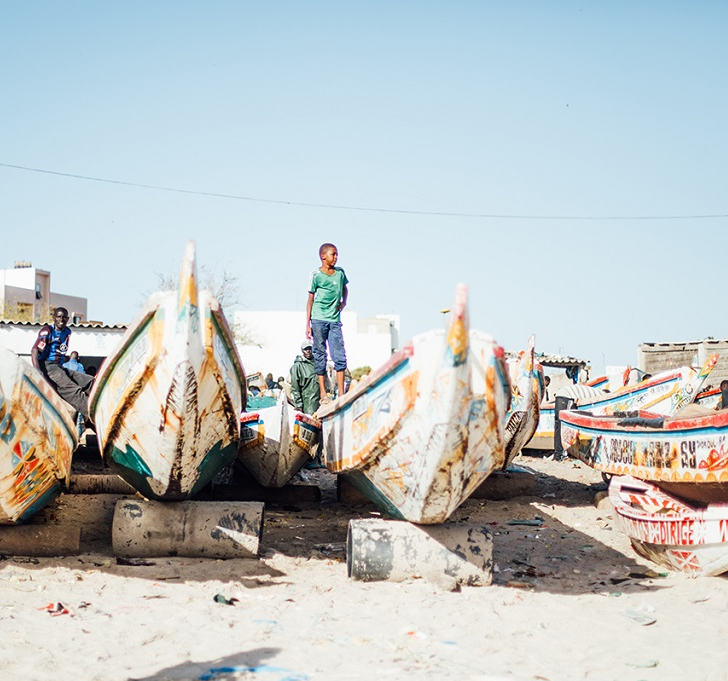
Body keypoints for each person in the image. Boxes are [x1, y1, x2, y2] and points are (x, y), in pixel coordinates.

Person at [31, 307, 94, 420]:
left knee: (89, 381)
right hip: (47, 366)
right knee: (72, 389)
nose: (61, 320)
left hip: (59, 367)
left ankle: (107, 402)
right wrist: (38, 371)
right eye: (59, 317)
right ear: (54, 318)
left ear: (68, 319)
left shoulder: (67, 332)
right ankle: (93, 414)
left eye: (64, 317)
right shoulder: (47, 331)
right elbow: (35, 350)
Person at [305, 242, 349, 403]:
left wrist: (344, 302)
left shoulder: (340, 273)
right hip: (318, 319)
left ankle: (341, 394)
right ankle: (323, 393)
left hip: (334, 320)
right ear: (323, 256)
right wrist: (307, 324)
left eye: (337, 254)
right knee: (320, 354)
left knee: (339, 355)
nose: (336, 257)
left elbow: (345, 288)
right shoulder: (316, 275)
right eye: (333, 254)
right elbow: (310, 300)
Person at [290, 340, 320, 415]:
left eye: (310, 348)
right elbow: (295, 387)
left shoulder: (318, 363)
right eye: (306, 349)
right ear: (302, 350)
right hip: (308, 404)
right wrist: (299, 405)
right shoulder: (297, 366)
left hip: (320, 402)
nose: (308, 351)